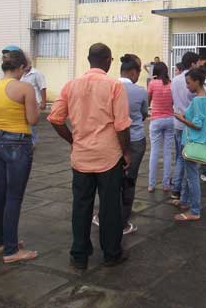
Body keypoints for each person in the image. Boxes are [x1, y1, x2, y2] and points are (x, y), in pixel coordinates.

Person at [48, 43, 132, 270]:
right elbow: (122, 125)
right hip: (109, 156)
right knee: (110, 207)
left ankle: (79, 254)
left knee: (81, 206)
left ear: (88, 59)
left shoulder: (71, 86)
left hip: (81, 157)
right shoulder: (114, 86)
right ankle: (112, 253)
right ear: (108, 61)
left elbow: (55, 118)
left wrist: (73, 140)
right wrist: (126, 152)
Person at [0, 50, 39, 264]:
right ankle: (11, 250)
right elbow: (33, 119)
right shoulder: (24, 88)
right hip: (17, 144)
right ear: (23, 67)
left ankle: (0, 243)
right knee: (14, 197)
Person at [104, 54, 148, 235]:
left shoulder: (108, 87)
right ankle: (122, 221)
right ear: (132, 72)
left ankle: (105, 215)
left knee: (110, 179)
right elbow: (144, 113)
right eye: (138, 73)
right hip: (135, 140)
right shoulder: (140, 91)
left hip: (112, 139)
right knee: (129, 181)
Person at [172, 68, 206, 221]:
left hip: (192, 141)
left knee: (192, 176)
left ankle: (194, 210)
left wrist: (181, 119)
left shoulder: (197, 100)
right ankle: (185, 201)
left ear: (197, 81)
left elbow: (197, 124)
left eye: (188, 83)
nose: (187, 86)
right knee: (190, 174)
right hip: (197, 141)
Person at [171, 52, 199, 199]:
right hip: (189, 123)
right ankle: (181, 189)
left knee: (179, 156)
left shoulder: (175, 80)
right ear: (193, 63)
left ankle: (176, 187)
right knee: (187, 160)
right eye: (198, 63)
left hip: (177, 121)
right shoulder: (195, 80)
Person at [147, 62, 175, 193]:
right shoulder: (171, 84)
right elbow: (173, 102)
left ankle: (151, 184)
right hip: (170, 120)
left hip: (156, 120)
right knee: (167, 152)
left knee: (154, 152)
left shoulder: (152, 84)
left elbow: (148, 100)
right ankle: (166, 184)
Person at [21, 60, 47, 145]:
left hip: (35, 102)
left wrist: (43, 102)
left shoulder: (37, 73)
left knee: (32, 123)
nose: (26, 67)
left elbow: (42, 87)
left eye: (27, 65)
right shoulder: (20, 74)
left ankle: (33, 142)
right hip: (23, 102)